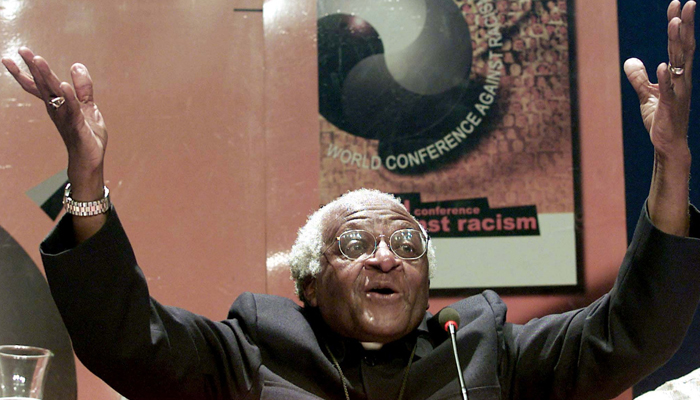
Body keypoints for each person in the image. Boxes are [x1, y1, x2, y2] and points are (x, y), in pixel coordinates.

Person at [2, 1, 699, 399]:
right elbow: (124, 339)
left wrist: (669, 166)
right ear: (308, 279)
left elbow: (633, 333)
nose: (387, 259)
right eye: (358, 245)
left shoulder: (489, 349)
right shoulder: (249, 354)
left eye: (406, 245)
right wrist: (86, 184)